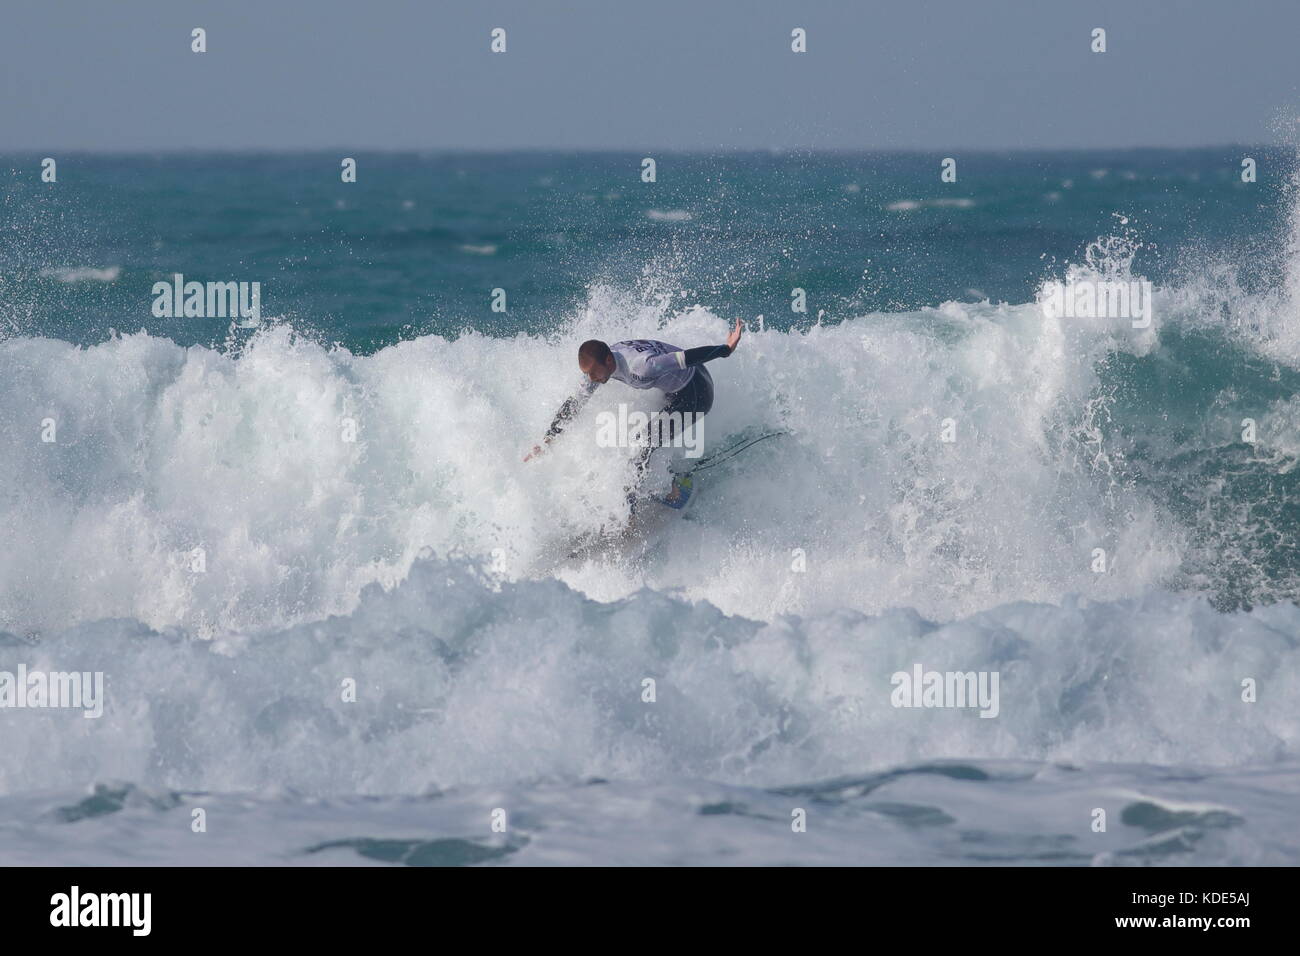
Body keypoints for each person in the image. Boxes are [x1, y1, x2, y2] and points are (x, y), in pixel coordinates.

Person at [524, 319, 744, 500]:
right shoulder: (602, 366)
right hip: (674, 389)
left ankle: (658, 499)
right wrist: (548, 439)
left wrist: (726, 349)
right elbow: (574, 404)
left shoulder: (642, 366)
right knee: (645, 440)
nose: (590, 379)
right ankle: (668, 476)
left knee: (641, 445)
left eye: (593, 373)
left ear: (609, 360)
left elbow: (687, 357)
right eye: (587, 374)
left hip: (696, 394)